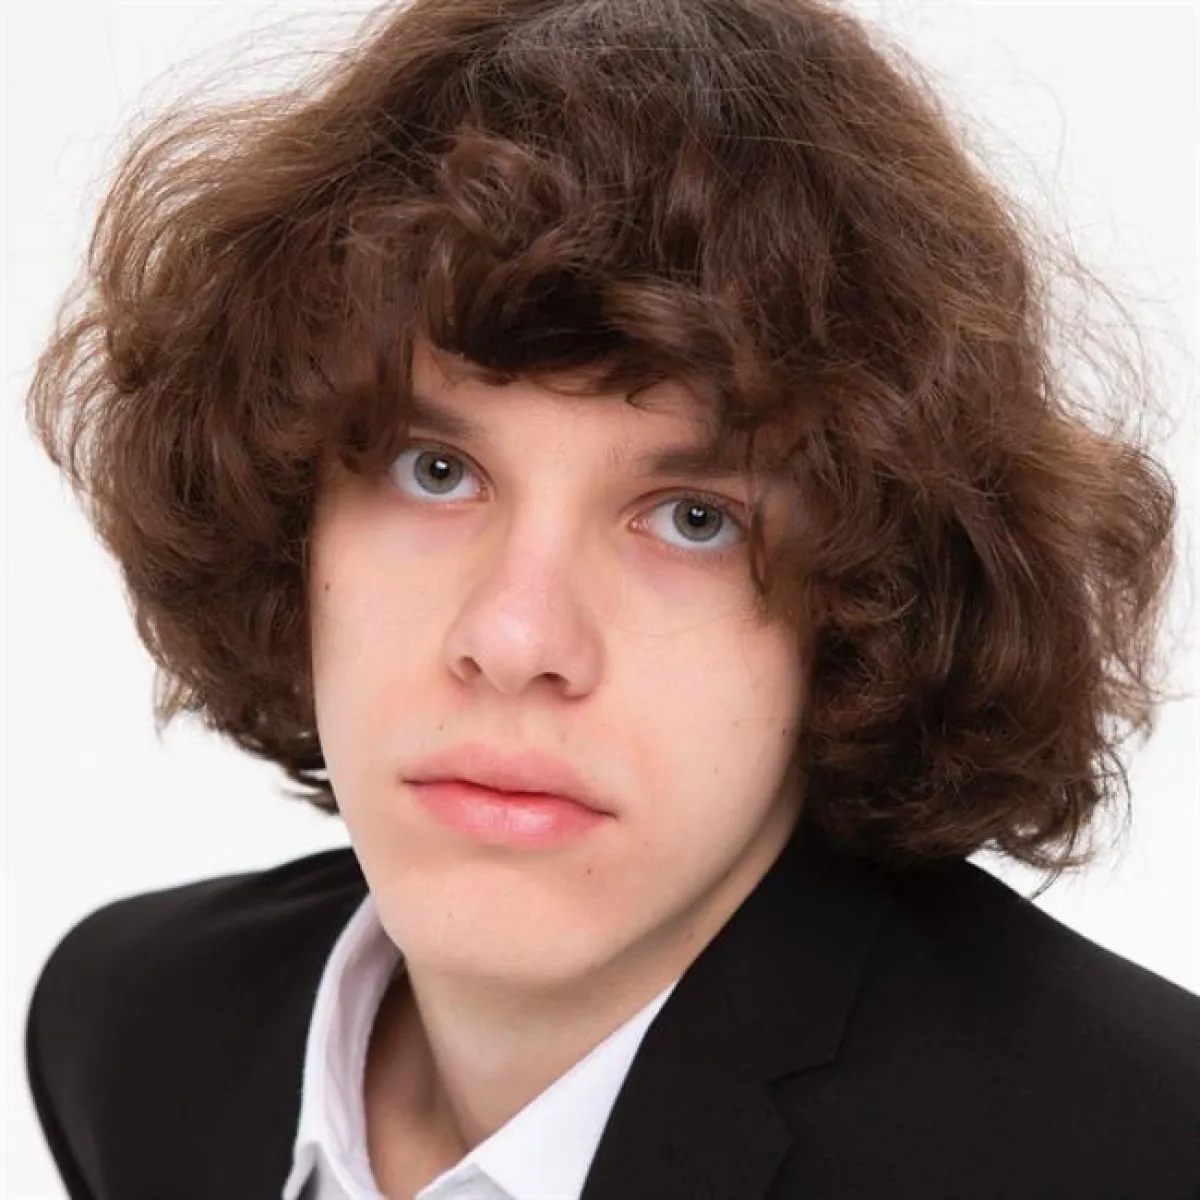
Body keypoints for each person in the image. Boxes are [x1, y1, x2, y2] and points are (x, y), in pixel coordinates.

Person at [21, 0, 1199, 1196]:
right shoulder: (136, 1036)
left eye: (694, 518)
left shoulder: (1136, 1155)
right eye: (436, 471)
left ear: (870, 607)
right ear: (286, 522)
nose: (515, 637)